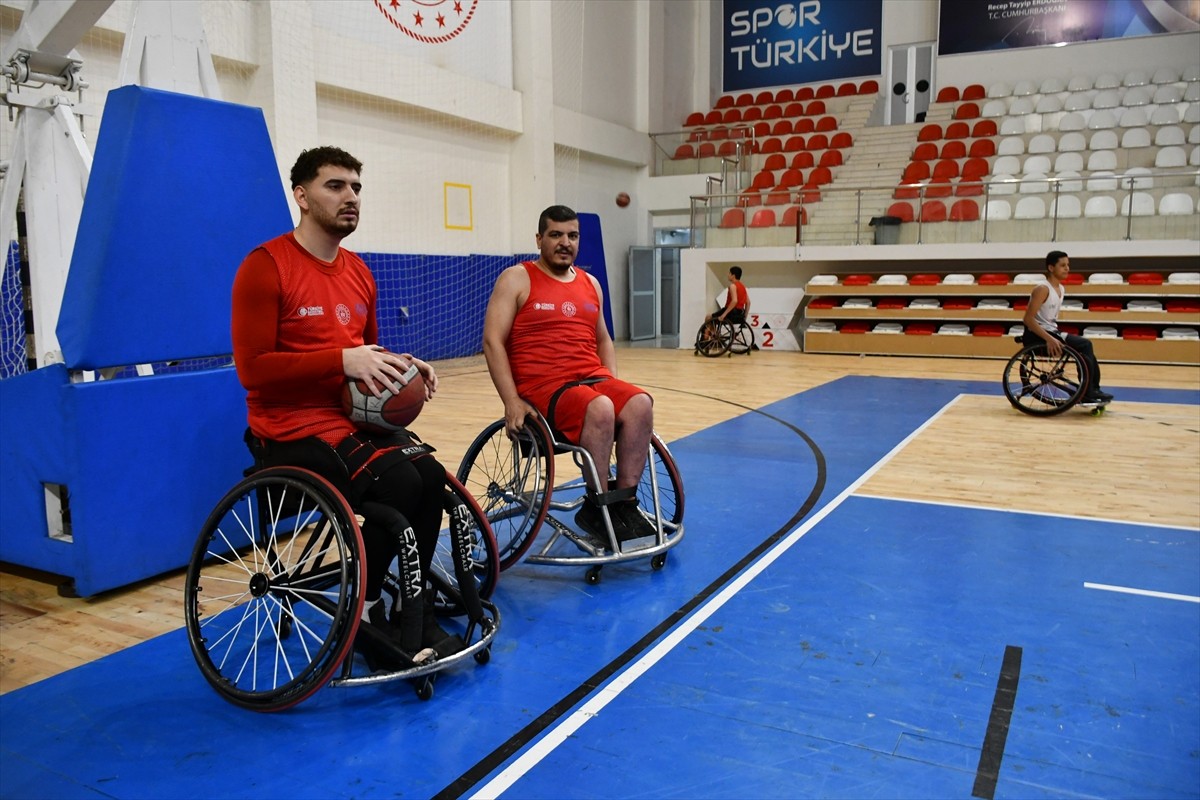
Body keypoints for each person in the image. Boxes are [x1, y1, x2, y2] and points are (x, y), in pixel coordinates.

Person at [231, 146, 463, 668]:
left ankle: (412, 596)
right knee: (397, 482)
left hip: (346, 421)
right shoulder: (265, 267)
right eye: (335, 186)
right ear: (302, 196)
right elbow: (253, 369)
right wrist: (342, 359)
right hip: (286, 429)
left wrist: (403, 365)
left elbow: (367, 357)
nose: (350, 197)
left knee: (428, 474)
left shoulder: (359, 271)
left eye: (356, 187)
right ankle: (369, 604)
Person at [482, 204, 657, 548]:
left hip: (589, 380)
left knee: (638, 403)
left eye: (572, 235)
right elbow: (492, 341)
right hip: (545, 389)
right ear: (539, 239)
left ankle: (624, 502)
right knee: (601, 408)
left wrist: (612, 381)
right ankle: (597, 504)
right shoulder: (517, 278)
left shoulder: (591, 283)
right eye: (556, 235)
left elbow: (603, 338)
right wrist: (511, 401)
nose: (565, 242)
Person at [1022, 250, 1114, 405]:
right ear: (1051, 268)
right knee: (1085, 344)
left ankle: (1092, 389)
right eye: (1062, 265)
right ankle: (1088, 392)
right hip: (1036, 334)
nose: (1067, 268)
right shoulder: (1042, 289)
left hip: (1051, 331)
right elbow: (1028, 319)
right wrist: (1049, 339)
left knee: (1086, 348)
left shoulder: (1061, 289)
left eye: (1068, 265)